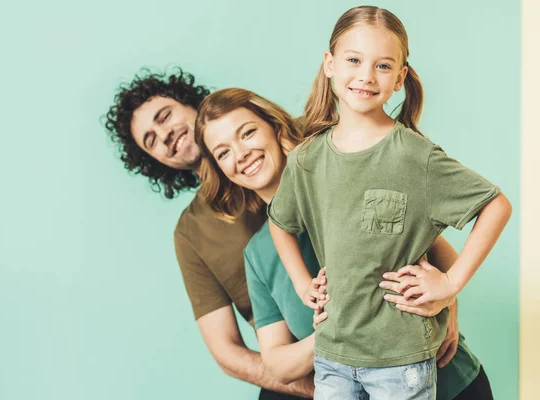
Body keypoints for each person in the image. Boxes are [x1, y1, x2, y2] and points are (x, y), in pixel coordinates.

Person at [263, 6, 511, 399]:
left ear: (400, 78)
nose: (365, 75)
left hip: (401, 361)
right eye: (354, 60)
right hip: (331, 355)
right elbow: (280, 222)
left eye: (382, 66)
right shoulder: (306, 159)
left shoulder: (416, 156)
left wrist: (449, 283)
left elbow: (496, 206)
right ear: (329, 65)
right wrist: (301, 281)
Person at [195, 87, 497, 399]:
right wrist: (342, 328)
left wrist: (448, 300)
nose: (240, 153)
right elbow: (278, 364)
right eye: (223, 153)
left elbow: (441, 259)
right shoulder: (259, 254)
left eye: (247, 133)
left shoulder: (354, 180)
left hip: (450, 384)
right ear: (221, 171)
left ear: (275, 128)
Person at [104, 69, 313, 399]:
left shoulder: (304, 140)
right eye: (151, 141)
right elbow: (227, 352)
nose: (165, 135)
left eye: (165, 116)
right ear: (153, 161)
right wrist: (328, 387)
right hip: (298, 370)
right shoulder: (191, 234)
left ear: (190, 104)